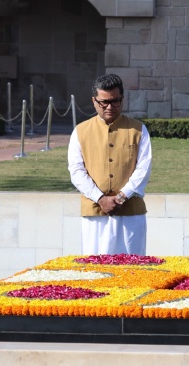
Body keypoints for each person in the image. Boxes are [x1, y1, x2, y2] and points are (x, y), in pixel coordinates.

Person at [68, 74, 152, 255]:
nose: (109, 107)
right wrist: (100, 199)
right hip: (94, 212)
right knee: (95, 270)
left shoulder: (138, 129)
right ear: (94, 101)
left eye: (115, 102)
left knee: (134, 268)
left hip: (131, 213)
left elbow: (143, 169)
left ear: (122, 99)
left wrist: (121, 198)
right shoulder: (81, 131)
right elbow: (76, 171)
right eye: (103, 102)